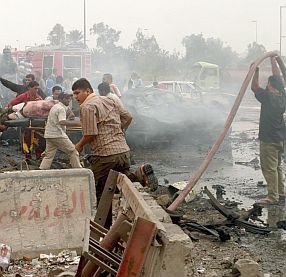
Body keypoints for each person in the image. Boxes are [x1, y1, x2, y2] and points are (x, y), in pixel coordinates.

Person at [72, 78, 158, 229]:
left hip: (104, 155)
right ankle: (140, 174)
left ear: (88, 91)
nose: (75, 97)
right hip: (123, 152)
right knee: (120, 182)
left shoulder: (87, 107)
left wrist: (78, 146)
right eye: (74, 94)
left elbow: (90, 134)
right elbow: (128, 117)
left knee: (102, 194)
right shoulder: (110, 100)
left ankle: (102, 231)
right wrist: (119, 132)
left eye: (77, 93)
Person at [251, 56, 286, 205]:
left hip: (269, 140)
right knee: (277, 166)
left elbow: (254, 88)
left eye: (268, 83)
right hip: (280, 138)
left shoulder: (267, 97)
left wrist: (255, 71)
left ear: (272, 86)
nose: (267, 85)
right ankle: (281, 193)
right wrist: (273, 60)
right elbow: (278, 76)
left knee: (269, 168)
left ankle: (273, 196)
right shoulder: (283, 96)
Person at [39, 92, 82, 170]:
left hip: (49, 134)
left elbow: (68, 112)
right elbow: (62, 122)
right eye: (66, 98)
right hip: (58, 135)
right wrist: (78, 123)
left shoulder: (56, 106)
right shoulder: (61, 108)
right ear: (61, 99)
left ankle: (41, 171)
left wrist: (70, 115)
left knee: (48, 156)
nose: (68, 100)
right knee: (73, 151)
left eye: (69, 99)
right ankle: (78, 170)